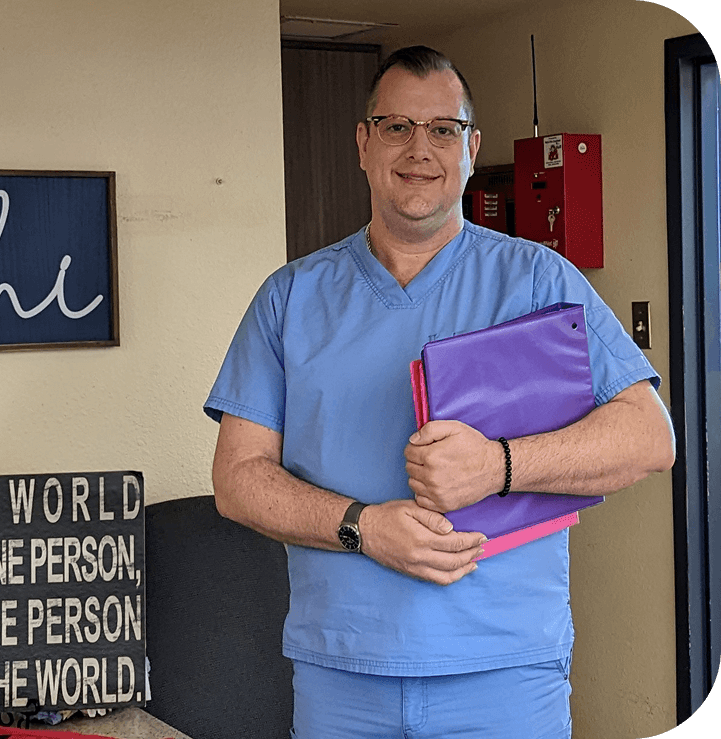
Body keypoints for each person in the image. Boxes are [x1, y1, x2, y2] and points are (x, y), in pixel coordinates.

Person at [204, 46, 675, 739]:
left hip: (504, 675)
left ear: (470, 146)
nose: (418, 149)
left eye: (442, 129)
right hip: (343, 676)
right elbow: (237, 479)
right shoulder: (290, 297)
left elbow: (649, 437)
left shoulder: (540, 282)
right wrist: (363, 527)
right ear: (363, 143)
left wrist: (498, 464)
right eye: (396, 126)